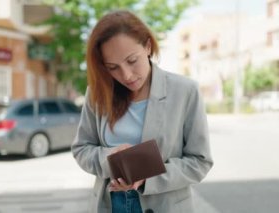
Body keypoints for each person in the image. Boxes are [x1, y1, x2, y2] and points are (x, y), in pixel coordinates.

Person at [71, 10, 213, 213]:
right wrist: (110, 157)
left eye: (132, 61)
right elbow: (82, 149)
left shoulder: (185, 91)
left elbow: (200, 161)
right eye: (113, 67)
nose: (126, 75)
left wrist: (147, 177)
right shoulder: (97, 93)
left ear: (147, 46)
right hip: (111, 205)